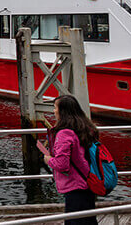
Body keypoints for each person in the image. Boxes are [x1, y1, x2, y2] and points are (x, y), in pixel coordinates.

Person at [36, 95, 99, 225]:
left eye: (55, 108)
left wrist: (48, 160)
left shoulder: (64, 133)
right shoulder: (85, 128)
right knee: (89, 220)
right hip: (88, 181)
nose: (54, 111)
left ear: (62, 111)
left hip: (74, 185)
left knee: (74, 221)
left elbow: (62, 164)